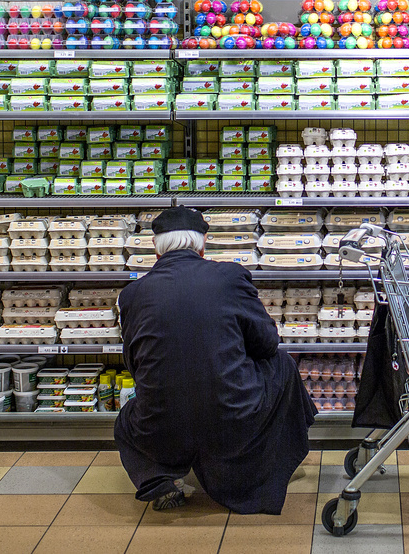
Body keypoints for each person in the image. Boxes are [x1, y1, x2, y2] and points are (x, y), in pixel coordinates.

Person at [114, 207, 317, 514]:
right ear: (202, 244)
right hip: (232, 417)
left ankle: (160, 483)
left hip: (160, 424)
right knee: (283, 365)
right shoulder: (229, 276)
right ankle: (268, 468)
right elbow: (267, 343)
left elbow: (134, 363)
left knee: (126, 421)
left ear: (156, 248)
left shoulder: (132, 294)